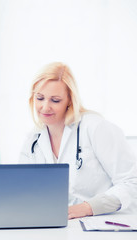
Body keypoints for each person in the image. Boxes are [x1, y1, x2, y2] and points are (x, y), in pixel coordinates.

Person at [19, 62, 137, 219]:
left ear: (69, 99)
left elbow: (131, 183)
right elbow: (22, 189)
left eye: (55, 100)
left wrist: (89, 207)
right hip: (59, 224)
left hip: (103, 223)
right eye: (40, 98)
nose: (45, 107)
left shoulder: (95, 127)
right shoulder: (33, 140)